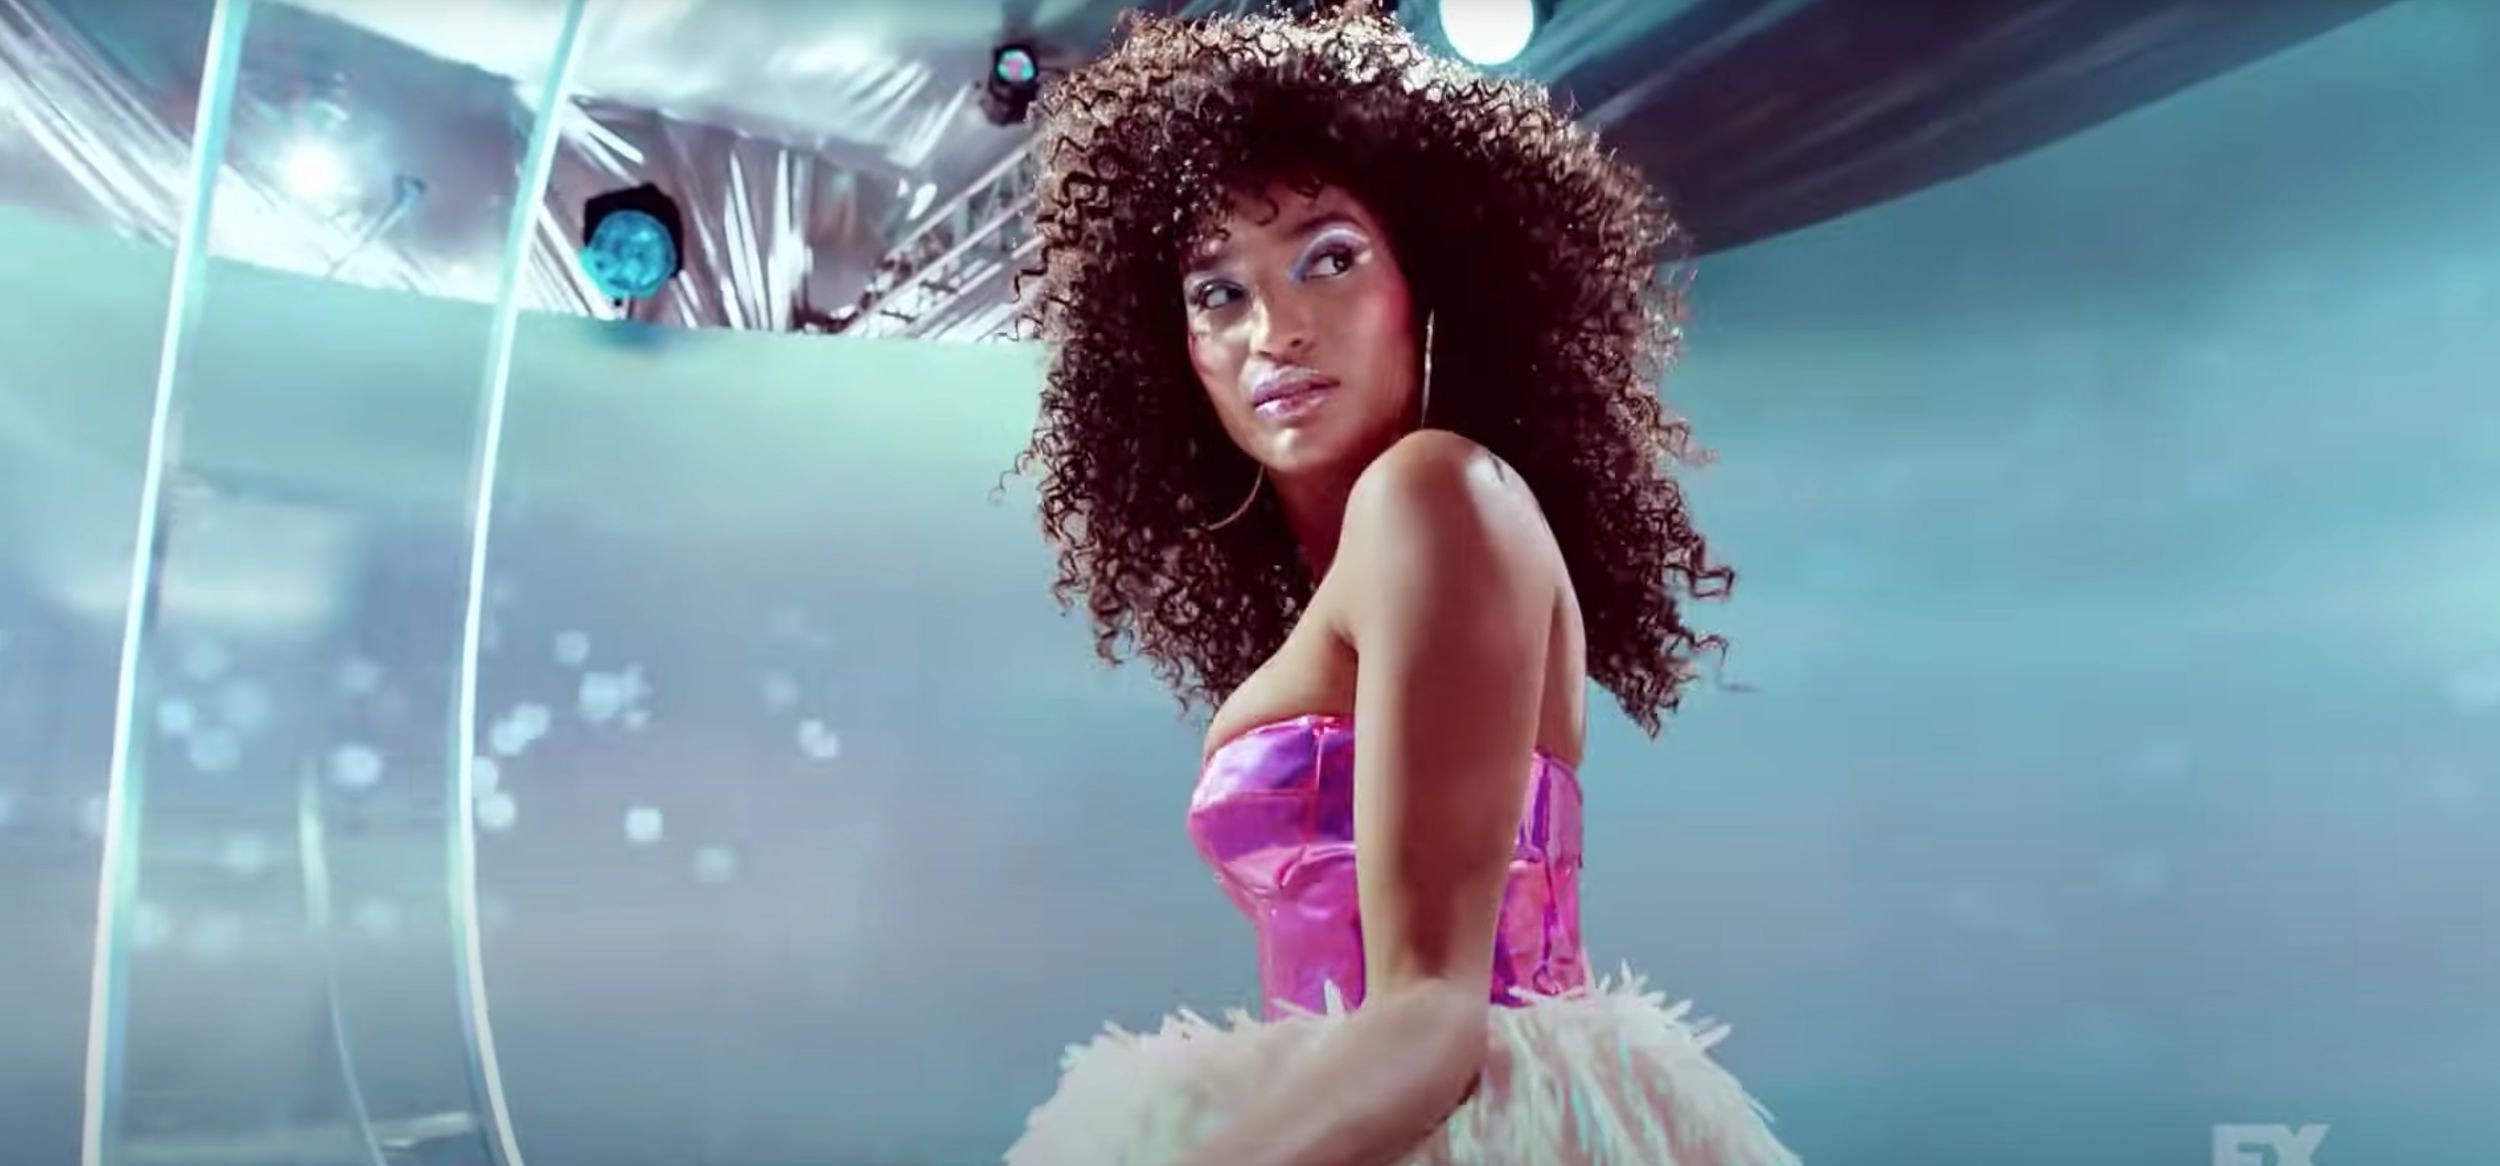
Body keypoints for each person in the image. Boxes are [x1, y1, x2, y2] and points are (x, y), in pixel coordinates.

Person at [1004, 4, 1795, 1164]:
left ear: (1430, 283)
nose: (1274, 329)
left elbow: (1430, 1016)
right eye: (1217, 291)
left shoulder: (1433, 490)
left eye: (1327, 258)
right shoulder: (1376, 556)